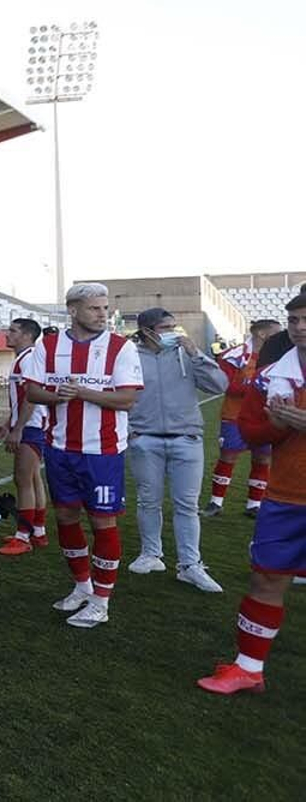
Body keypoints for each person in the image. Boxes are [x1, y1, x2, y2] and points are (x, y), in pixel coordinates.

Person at [19, 283, 143, 629]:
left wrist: (84, 392)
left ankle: (101, 602)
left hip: (102, 453)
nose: (103, 314)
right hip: (60, 449)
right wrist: (56, 395)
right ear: (73, 311)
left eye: (105, 308)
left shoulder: (121, 347)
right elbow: (32, 390)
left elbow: (128, 400)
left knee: (103, 522)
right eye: (94, 308)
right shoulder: (49, 344)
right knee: (67, 518)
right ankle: (82, 587)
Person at [197, 297, 305, 694]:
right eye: (294, 319)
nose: (299, 326)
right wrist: (280, 426)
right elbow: (252, 432)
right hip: (286, 497)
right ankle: (248, 669)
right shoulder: (272, 374)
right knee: (265, 579)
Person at [125, 308, 226, 592]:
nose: (173, 331)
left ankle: (190, 565)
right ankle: (151, 554)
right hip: (145, 438)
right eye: (165, 327)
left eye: (174, 326)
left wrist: (197, 355)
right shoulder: (129, 356)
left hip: (186, 438)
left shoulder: (187, 353)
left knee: (187, 505)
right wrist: (130, 430)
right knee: (148, 500)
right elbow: (117, 394)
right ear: (146, 331)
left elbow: (219, 385)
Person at [210, 319, 283, 516]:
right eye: (277, 332)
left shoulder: (280, 356)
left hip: (264, 416)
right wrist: (257, 386)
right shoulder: (234, 355)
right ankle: (215, 503)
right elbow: (226, 386)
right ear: (262, 334)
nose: (281, 335)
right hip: (235, 416)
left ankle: (254, 505)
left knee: (263, 458)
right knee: (228, 456)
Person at [0, 318, 53, 556]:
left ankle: (23, 536)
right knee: (32, 479)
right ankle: (37, 531)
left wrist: (17, 428)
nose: (7, 334)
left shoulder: (29, 359)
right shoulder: (26, 357)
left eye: (13, 331)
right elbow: (21, 399)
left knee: (23, 480)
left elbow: (30, 397)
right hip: (31, 424)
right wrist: (10, 423)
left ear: (27, 335)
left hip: (32, 427)